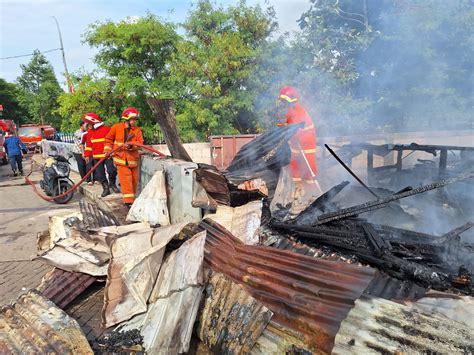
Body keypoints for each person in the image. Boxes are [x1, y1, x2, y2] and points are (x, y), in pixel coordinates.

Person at [277, 86, 321, 214]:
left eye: (284, 101)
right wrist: (283, 127)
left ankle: (315, 195)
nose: (283, 103)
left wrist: (289, 131)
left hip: (306, 142)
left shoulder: (298, 110)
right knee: (294, 164)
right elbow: (290, 126)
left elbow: (297, 127)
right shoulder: (291, 110)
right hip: (297, 142)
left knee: (309, 170)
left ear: (291, 99)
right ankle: (297, 190)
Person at [104, 107, 144, 206]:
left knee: (134, 182)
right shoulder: (117, 128)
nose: (134, 122)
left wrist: (131, 146)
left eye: (135, 120)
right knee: (126, 181)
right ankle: (128, 202)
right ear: (126, 119)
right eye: (133, 119)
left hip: (133, 161)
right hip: (121, 160)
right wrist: (108, 150)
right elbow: (108, 139)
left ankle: (132, 200)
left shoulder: (137, 131)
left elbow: (140, 144)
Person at [82, 112, 119, 197]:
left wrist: (112, 151)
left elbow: (113, 141)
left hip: (107, 155)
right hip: (96, 157)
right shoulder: (90, 133)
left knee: (112, 170)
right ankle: (106, 188)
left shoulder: (106, 129)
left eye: (88, 123)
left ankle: (112, 184)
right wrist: (87, 155)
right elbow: (89, 145)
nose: (87, 126)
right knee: (100, 174)